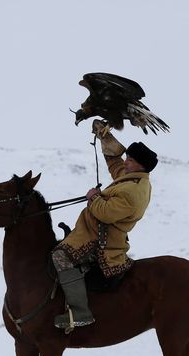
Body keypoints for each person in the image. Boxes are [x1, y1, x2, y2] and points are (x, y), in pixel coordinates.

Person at [52, 119, 158, 330]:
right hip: (91, 232)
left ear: (141, 164)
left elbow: (106, 213)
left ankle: (80, 312)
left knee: (60, 256)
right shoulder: (132, 178)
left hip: (102, 241)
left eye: (130, 159)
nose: (126, 161)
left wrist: (93, 197)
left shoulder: (133, 191)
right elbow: (116, 164)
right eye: (128, 156)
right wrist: (105, 137)